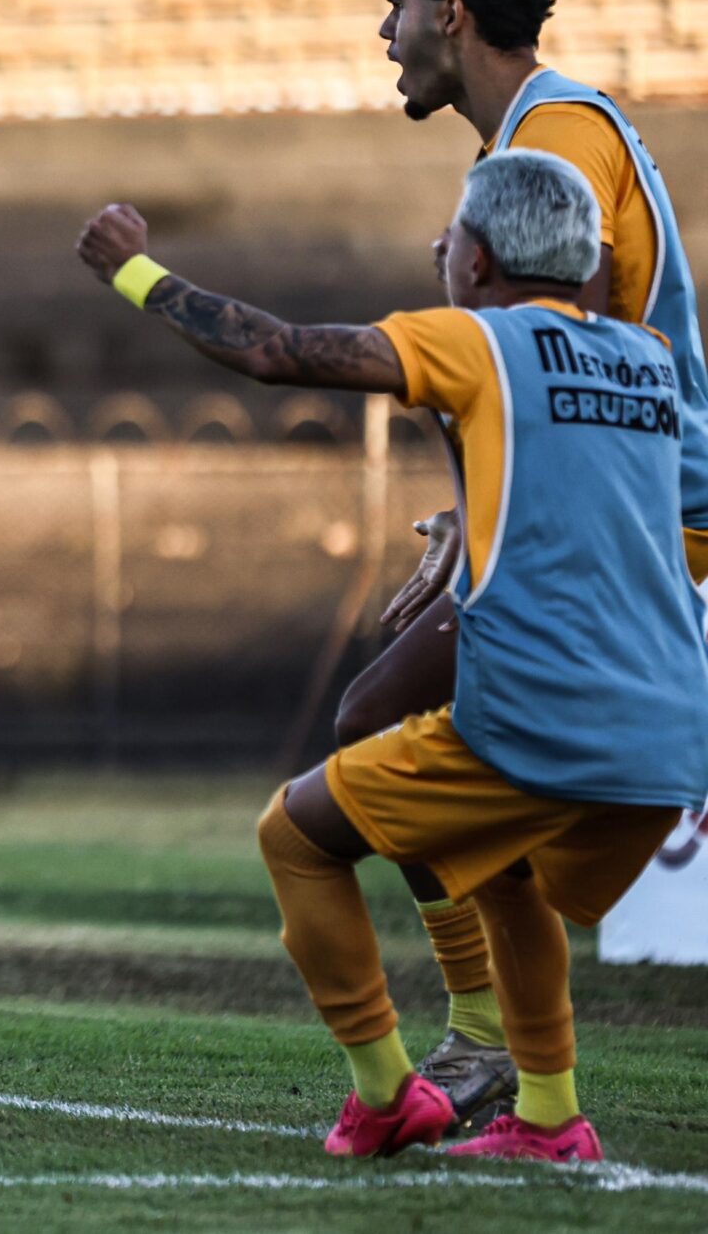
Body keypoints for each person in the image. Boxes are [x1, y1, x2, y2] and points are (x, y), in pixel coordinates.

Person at [78, 150, 708, 1163]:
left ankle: (385, 1095)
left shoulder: (474, 340)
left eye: (455, 236)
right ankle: (550, 1115)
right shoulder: (642, 359)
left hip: (546, 720)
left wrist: (134, 272)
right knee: (502, 873)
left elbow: (279, 351)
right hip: (673, 738)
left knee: (293, 836)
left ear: (480, 256)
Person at [336, 0, 708, 1128]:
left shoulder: (545, 146)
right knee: (442, 752)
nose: (381, 30)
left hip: (655, 510)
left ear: (449, 13)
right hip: (638, 499)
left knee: (374, 721)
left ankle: (485, 1040)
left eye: (393, 4)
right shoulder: (550, 135)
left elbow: (583, 347)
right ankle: (519, 1068)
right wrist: (471, 517)